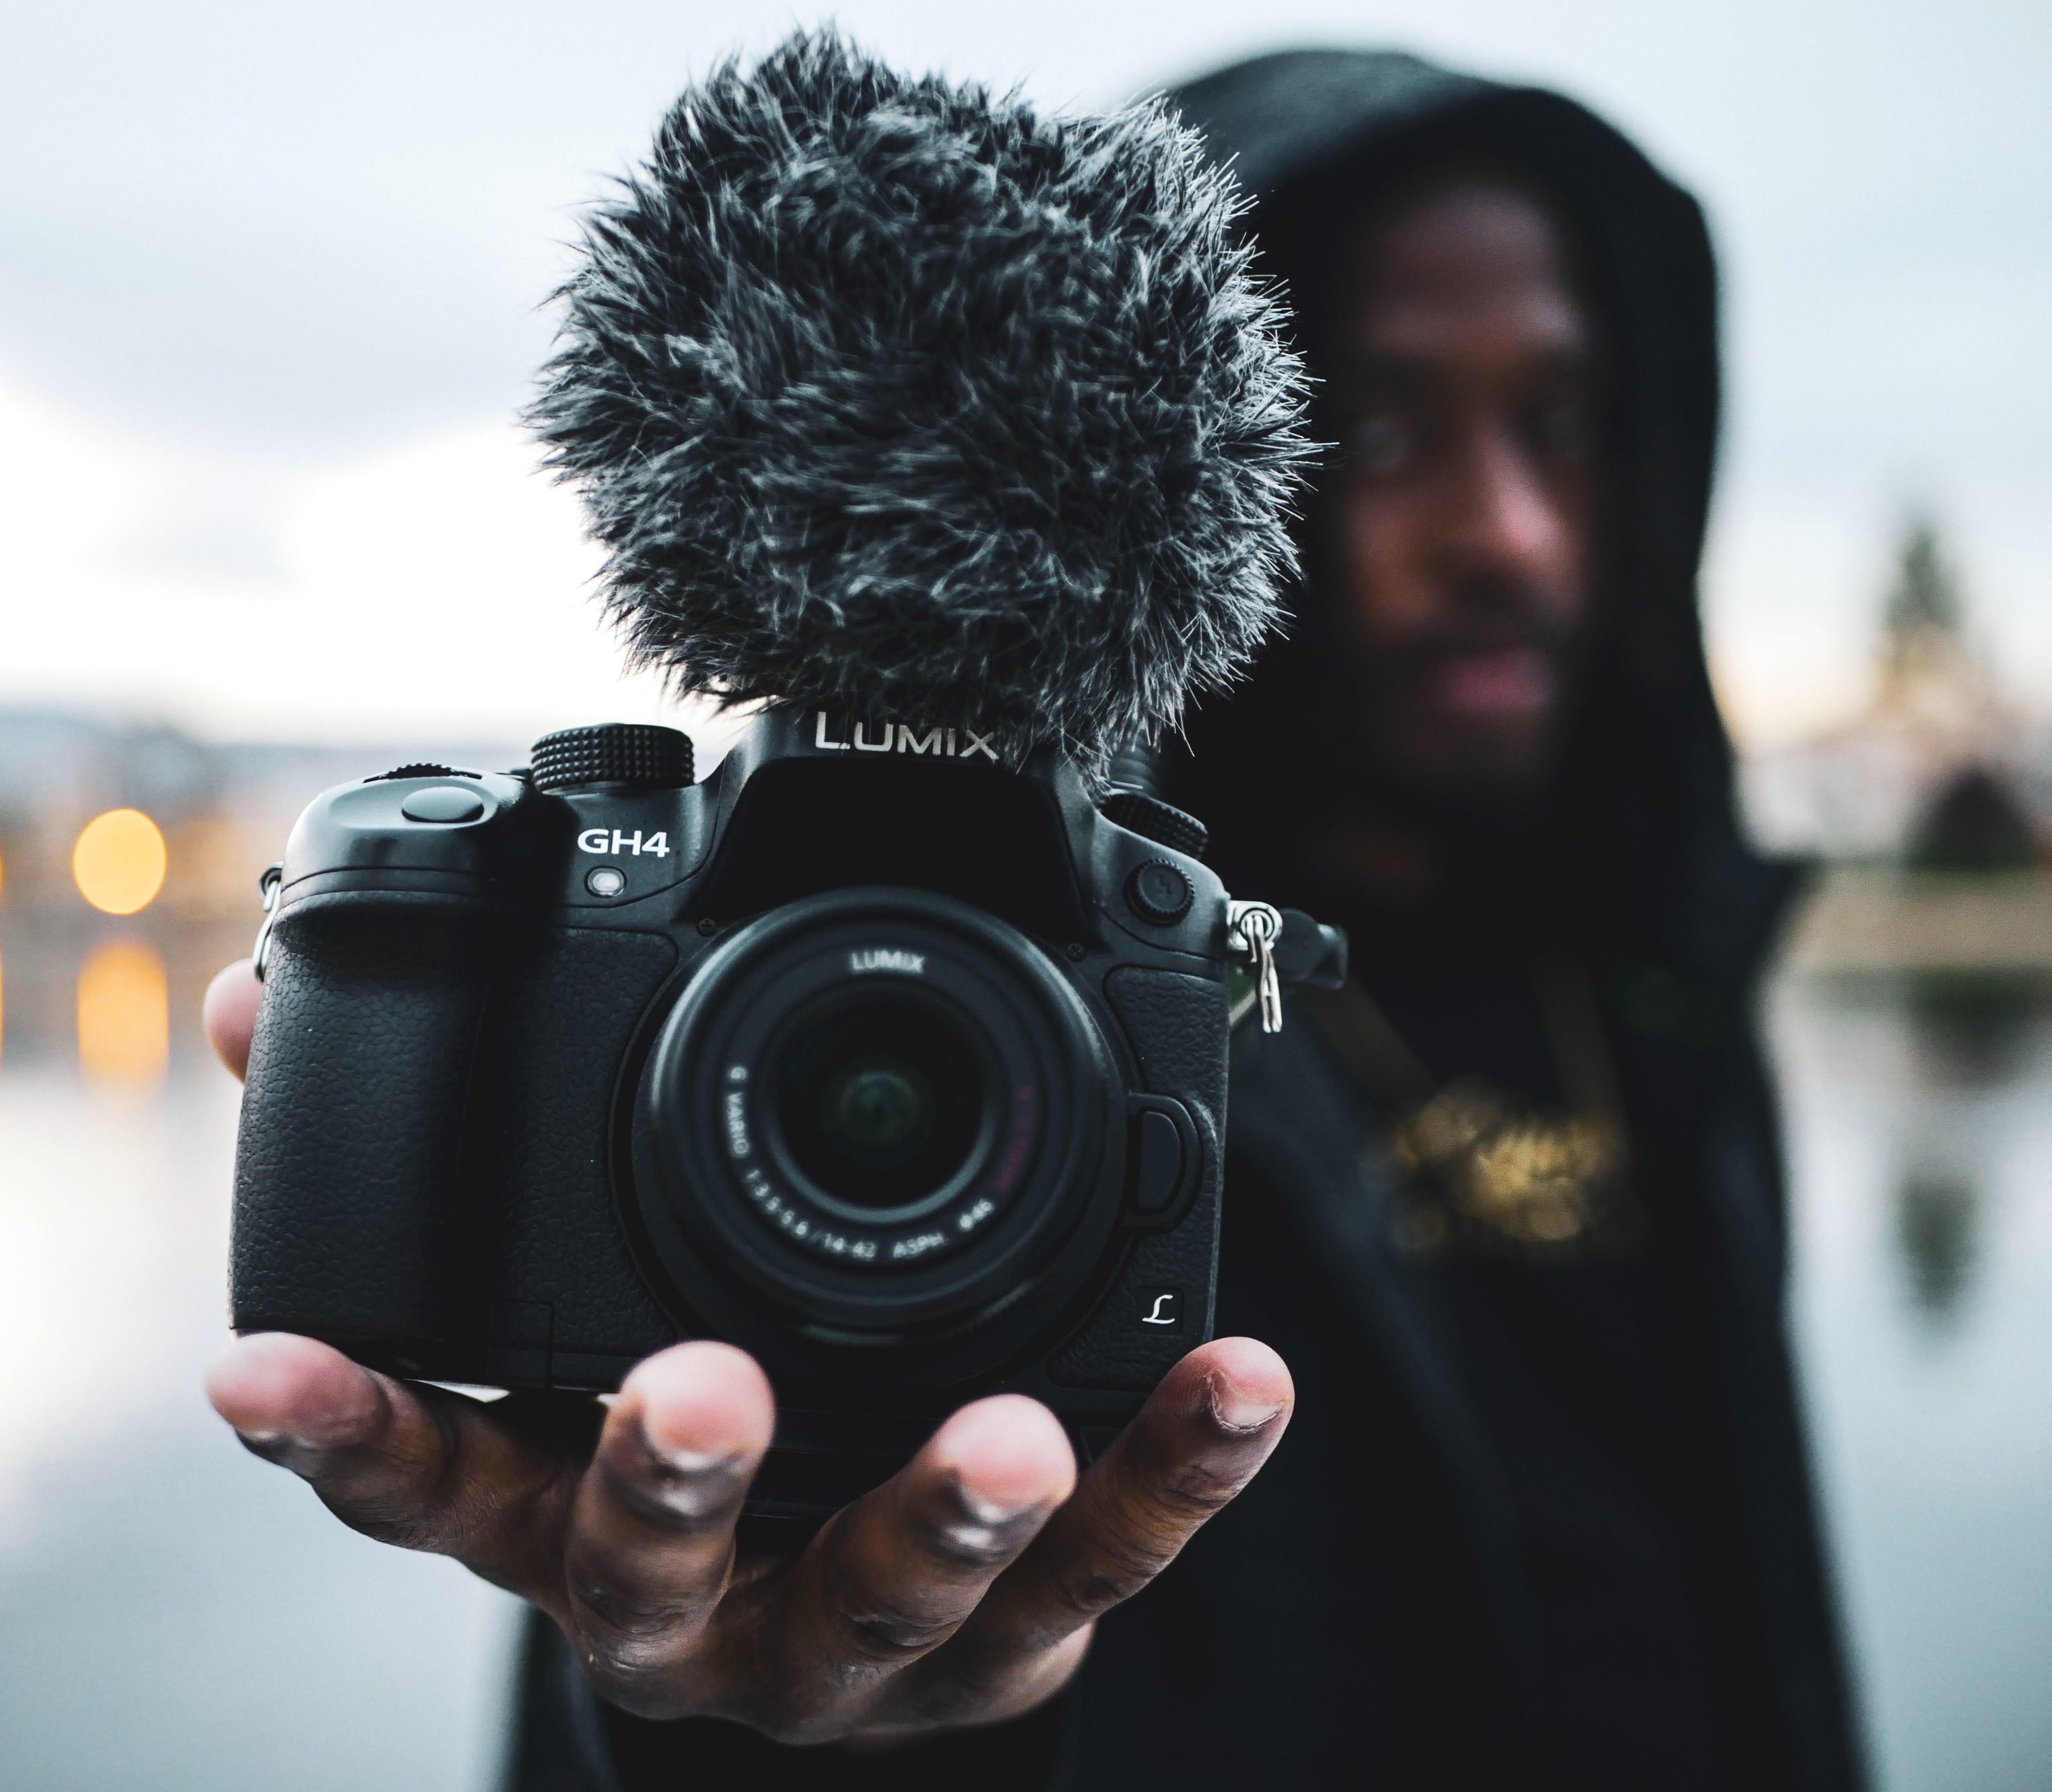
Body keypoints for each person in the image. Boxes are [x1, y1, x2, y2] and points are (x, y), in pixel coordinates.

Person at [200, 48, 1865, 1790]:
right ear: (1166, 461)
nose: (1508, 533)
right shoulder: (795, 956)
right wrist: (804, 1739)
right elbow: (717, 1618)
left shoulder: (1662, 980)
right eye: (1378, 430)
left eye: (1564, 424)